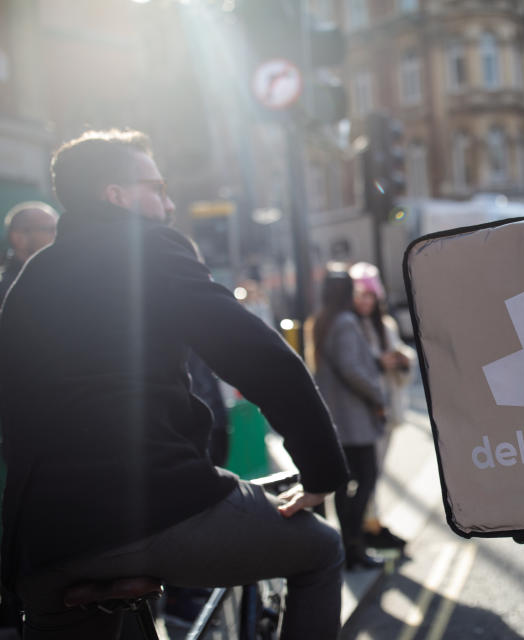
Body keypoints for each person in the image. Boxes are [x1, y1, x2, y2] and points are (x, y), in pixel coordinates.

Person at [0, 129, 349, 639]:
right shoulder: (145, 245)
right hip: (151, 505)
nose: (168, 202)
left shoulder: (33, 276)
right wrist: (321, 470)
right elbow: (255, 354)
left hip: (44, 542)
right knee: (321, 551)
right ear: (115, 195)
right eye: (156, 188)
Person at [311, 269, 387, 570]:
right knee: (366, 479)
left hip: (336, 419)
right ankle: (354, 545)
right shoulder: (344, 322)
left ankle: (349, 548)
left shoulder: (322, 321)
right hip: (352, 419)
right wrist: (377, 395)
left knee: (344, 486)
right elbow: (351, 368)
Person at [348, 262, 416, 552]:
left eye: (369, 295)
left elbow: (403, 355)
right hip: (366, 413)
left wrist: (401, 359)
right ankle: (368, 526)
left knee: (376, 472)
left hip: (387, 409)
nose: (365, 300)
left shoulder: (384, 325)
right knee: (367, 474)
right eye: (359, 294)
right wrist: (380, 363)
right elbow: (354, 369)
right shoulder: (350, 326)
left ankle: (372, 523)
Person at [0, 201, 59, 305]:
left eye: (58, 229)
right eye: (50, 229)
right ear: (18, 236)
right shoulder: (5, 286)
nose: (57, 235)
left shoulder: (59, 279)